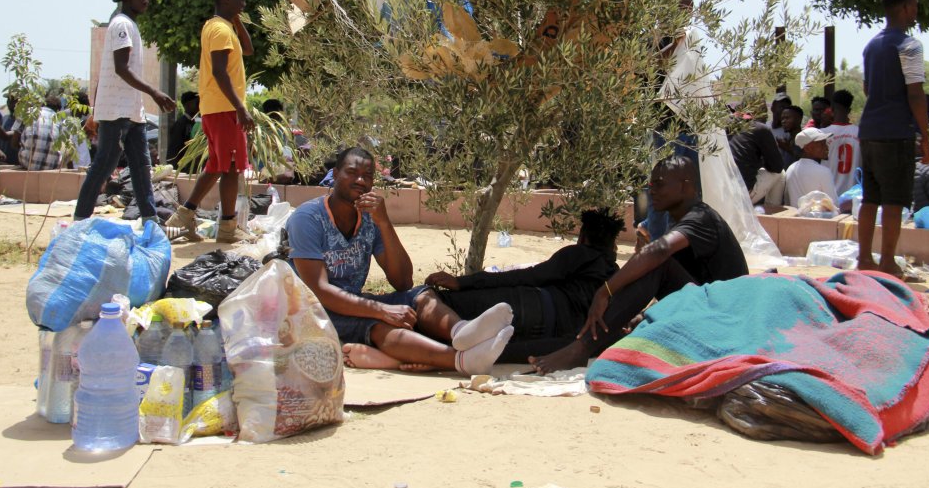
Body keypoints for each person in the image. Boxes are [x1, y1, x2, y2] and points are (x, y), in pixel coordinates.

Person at [287, 147, 514, 375]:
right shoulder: (308, 218)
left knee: (422, 296)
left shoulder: (369, 218)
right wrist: (381, 310)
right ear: (335, 175)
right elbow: (319, 291)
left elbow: (403, 281)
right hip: (315, 313)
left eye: (367, 176)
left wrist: (384, 223)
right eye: (352, 172)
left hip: (353, 302)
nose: (360, 180)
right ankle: (462, 360)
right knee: (379, 325)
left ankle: (461, 332)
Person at [530, 156, 748, 374]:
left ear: (685, 185)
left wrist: (605, 291)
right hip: (704, 311)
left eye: (659, 184)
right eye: (650, 184)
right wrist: (642, 314)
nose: (651, 191)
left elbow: (659, 255)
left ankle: (580, 350)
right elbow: (683, 283)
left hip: (724, 320)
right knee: (614, 332)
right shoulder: (680, 222)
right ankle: (528, 350)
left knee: (656, 261)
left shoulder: (702, 218)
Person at [425, 208, 624, 363]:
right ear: (613, 246)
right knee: (464, 334)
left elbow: (528, 277)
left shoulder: (580, 254)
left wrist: (463, 282)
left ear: (583, 238)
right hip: (544, 334)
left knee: (445, 304)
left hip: (531, 306)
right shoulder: (618, 278)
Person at [74, 0, 174, 221]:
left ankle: (150, 220)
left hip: (131, 111)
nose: (146, 0)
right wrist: (154, 91)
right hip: (117, 112)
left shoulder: (129, 24)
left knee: (142, 167)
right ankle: (80, 220)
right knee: (104, 166)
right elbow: (121, 68)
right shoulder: (121, 25)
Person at [166, 0, 256, 243]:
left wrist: (237, 20)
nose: (244, 3)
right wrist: (240, 108)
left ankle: (186, 215)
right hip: (225, 108)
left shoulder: (224, 27)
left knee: (219, 165)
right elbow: (218, 71)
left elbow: (248, 50)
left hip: (219, 109)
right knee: (229, 167)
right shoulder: (219, 30)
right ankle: (226, 227)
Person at [857, 0, 929, 276]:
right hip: (895, 132)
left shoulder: (871, 45)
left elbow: (867, 87)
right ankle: (887, 262)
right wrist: (925, 136)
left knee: (870, 198)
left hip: (869, 129)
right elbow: (916, 93)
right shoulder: (910, 45)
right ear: (904, 8)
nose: (916, 10)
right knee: (893, 200)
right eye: (914, 4)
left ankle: (865, 259)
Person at [727, 105, 785, 205]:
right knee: (781, 173)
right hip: (740, 196)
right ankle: (772, 211)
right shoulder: (760, 128)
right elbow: (777, 167)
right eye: (764, 111)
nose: (766, 116)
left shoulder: (725, 127)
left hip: (720, 191)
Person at [784, 128, 838, 207]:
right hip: (817, 218)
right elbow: (834, 205)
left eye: (825, 143)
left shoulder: (790, 168)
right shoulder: (823, 171)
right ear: (808, 148)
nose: (826, 147)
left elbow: (787, 201)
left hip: (795, 217)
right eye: (821, 144)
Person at [821, 90, 861, 196]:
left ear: (832, 109)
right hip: (853, 195)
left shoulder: (823, 134)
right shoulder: (860, 133)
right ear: (849, 110)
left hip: (829, 195)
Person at [17, 93, 62, 171]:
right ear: (58, 110)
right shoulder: (59, 120)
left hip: (26, 163)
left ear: (42, 104)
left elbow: (13, 143)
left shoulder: (27, 112)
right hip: (51, 166)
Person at [166, 91, 200, 169]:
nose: (199, 105)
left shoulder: (196, 122)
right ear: (188, 105)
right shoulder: (180, 124)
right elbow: (173, 151)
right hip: (183, 168)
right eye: (197, 102)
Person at [775, 105, 804, 169]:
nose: (783, 121)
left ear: (799, 119)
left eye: (787, 118)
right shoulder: (787, 140)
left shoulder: (804, 139)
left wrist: (787, 149)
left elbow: (806, 160)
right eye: (782, 118)